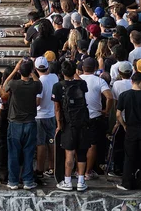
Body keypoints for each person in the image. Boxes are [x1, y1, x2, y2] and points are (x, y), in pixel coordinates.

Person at [0, 58, 42, 190]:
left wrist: (15, 69)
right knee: (29, 152)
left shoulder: (15, 84)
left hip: (15, 123)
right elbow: (39, 83)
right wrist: (33, 72)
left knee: (13, 152)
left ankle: (13, 180)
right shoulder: (35, 85)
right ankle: (28, 180)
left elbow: (4, 85)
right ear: (30, 71)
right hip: (30, 123)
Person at [52, 60, 90, 191]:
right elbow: (81, 84)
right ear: (75, 71)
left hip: (68, 124)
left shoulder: (58, 86)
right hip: (83, 123)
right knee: (81, 153)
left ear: (62, 72)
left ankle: (67, 181)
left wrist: (59, 124)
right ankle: (81, 181)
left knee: (69, 153)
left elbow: (57, 108)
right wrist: (75, 74)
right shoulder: (82, 84)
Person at [116, 72, 141, 191]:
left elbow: (118, 114)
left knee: (129, 156)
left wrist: (124, 125)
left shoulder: (124, 95)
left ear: (132, 82)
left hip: (130, 128)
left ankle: (126, 183)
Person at [79, 57, 113, 180]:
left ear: (83, 68)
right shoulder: (99, 81)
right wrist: (106, 111)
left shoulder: (77, 79)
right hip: (94, 116)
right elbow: (109, 97)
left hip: (79, 116)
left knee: (79, 143)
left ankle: (79, 171)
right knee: (92, 144)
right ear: (95, 68)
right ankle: (88, 172)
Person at [33, 57, 57, 180]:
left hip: (40, 117)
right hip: (51, 115)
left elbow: (37, 101)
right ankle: (52, 167)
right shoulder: (54, 77)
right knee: (51, 141)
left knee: (40, 144)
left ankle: (40, 169)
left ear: (36, 68)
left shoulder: (39, 82)